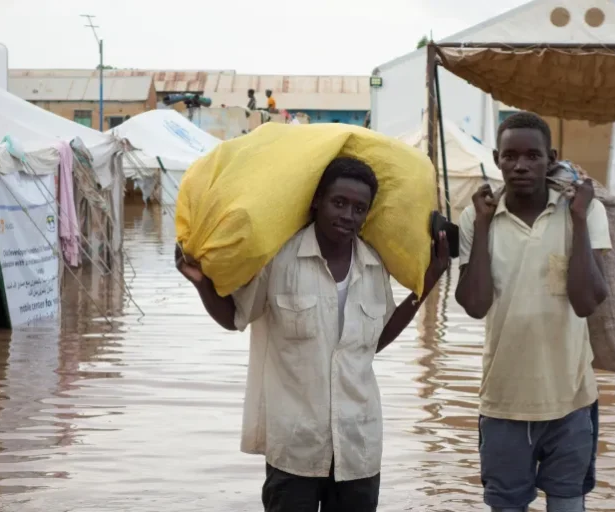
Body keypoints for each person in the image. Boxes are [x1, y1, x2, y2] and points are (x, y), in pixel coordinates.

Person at [176, 157, 449, 512]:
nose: (348, 215)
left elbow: (374, 342)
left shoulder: (372, 267)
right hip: (294, 447)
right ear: (317, 201)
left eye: (359, 208)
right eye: (339, 202)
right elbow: (235, 319)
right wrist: (201, 284)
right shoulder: (279, 260)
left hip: (357, 446)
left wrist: (427, 283)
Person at [455, 111, 611, 512]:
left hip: (571, 400)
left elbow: (586, 301)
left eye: (532, 156)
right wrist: (486, 226)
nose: (520, 166)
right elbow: (474, 305)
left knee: (568, 505)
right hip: (504, 399)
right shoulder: (477, 215)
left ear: (550, 157)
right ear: (496, 158)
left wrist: (576, 219)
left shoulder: (583, 210)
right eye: (509, 156)